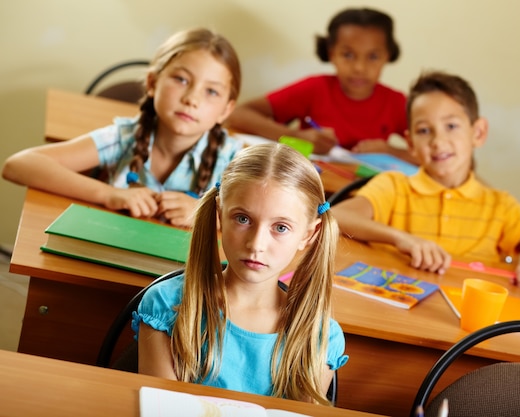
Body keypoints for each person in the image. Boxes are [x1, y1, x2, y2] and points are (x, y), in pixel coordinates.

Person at [332, 70, 520, 291]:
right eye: (424, 130)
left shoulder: (500, 207)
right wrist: (402, 239)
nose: (438, 141)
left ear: (478, 133)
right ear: (410, 143)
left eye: (451, 126)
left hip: (469, 330)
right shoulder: (394, 186)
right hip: (398, 311)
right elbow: (337, 216)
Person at [132, 143, 348, 403]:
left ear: (308, 234)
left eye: (280, 227)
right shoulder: (167, 305)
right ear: (220, 214)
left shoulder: (320, 336)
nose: (256, 244)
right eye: (243, 219)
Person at [2, 28, 242, 227]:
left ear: (225, 109)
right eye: (181, 79)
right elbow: (18, 165)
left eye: (211, 91)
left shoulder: (235, 160)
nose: (192, 99)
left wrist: (210, 216)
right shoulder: (124, 136)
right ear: (152, 83)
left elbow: (265, 220)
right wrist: (109, 194)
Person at [226, 7, 414, 163]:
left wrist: (390, 151)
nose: (359, 67)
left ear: (387, 56)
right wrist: (294, 136)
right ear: (331, 53)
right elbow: (236, 114)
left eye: (373, 56)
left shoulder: (396, 102)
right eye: (347, 55)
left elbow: (439, 152)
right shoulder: (315, 89)